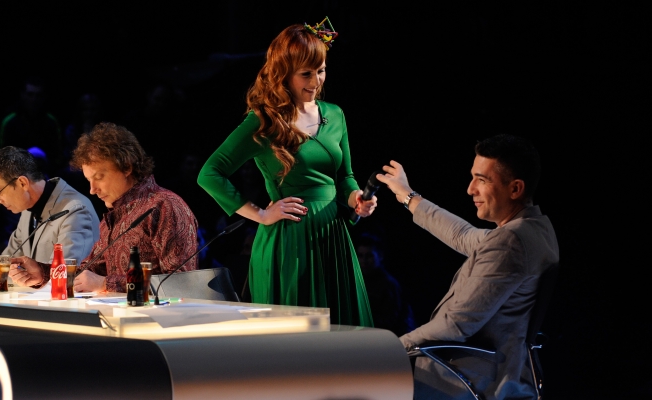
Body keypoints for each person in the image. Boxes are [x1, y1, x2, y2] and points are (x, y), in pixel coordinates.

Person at [198, 19, 376, 326]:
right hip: (290, 239)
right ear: (284, 74)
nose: (316, 81)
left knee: (342, 335)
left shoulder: (335, 114)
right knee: (296, 339)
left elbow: (344, 177)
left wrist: (357, 198)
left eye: (321, 70)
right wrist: (260, 214)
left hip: (333, 235)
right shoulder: (264, 121)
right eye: (306, 73)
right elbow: (210, 174)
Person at [377, 134, 560, 399]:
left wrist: (392, 349)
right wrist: (407, 195)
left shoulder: (511, 242)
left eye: (482, 180)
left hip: (464, 381)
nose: (470, 189)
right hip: (500, 372)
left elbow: (456, 325)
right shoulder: (536, 229)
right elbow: (462, 235)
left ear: (515, 189)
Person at [10, 122, 199, 293]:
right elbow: (87, 273)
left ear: (126, 167)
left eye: (99, 177)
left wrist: (105, 284)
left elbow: (181, 283)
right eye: (88, 180)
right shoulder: (114, 215)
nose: (92, 190)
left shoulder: (165, 206)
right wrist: (43, 273)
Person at [0, 147, 99, 278]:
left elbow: (67, 276)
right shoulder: (27, 208)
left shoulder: (75, 210)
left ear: (22, 183)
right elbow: (5, 266)